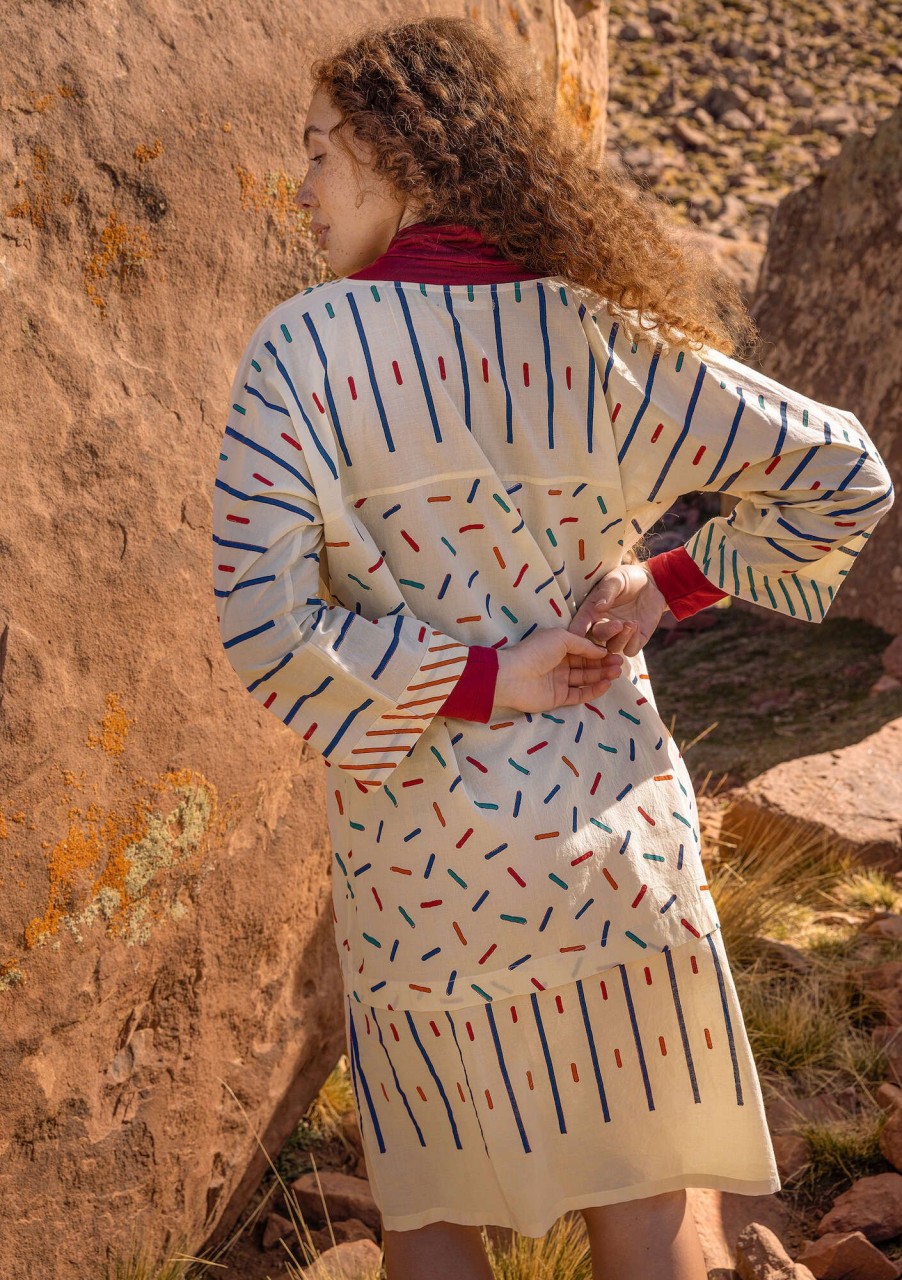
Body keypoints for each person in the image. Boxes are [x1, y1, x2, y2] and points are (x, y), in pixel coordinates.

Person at [211, 16, 895, 1280]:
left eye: (316, 151)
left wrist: (475, 677)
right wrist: (668, 582)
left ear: (389, 148)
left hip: (419, 865)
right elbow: (839, 474)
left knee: (430, 1214)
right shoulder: (606, 335)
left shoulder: (303, 353)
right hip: (612, 833)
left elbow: (265, 624)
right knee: (643, 1205)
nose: (299, 187)